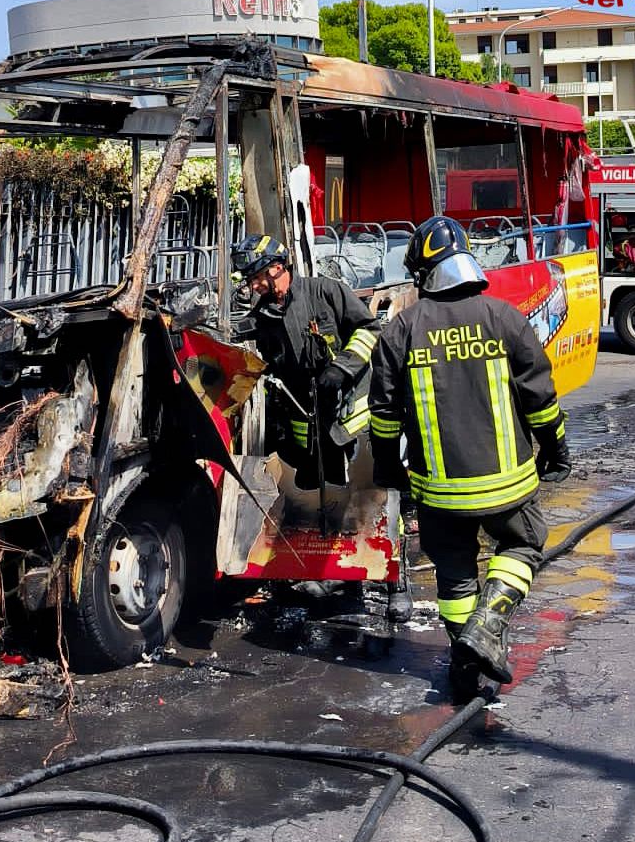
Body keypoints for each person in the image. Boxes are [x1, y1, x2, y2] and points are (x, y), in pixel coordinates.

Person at [368, 215, 571, 699]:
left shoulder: (402, 330)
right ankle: (489, 623)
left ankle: (464, 664)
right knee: (523, 546)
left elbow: (383, 416)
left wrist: (388, 469)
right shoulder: (504, 318)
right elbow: (541, 400)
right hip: (509, 484)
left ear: (422, 273)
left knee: (455, 572)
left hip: (438, 491)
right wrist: (557, 449)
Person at [230, 233, 412, 622]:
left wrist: (341, 368)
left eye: (262, 276)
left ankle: (397, 583)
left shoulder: (326, 293)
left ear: (281, 267)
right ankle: (348, 582)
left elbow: (369, 331)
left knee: (376, 498)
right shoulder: (263, 318)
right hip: (314, 424)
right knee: (331, 503)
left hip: (355, 415)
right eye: (252, 280)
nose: (258, 286)